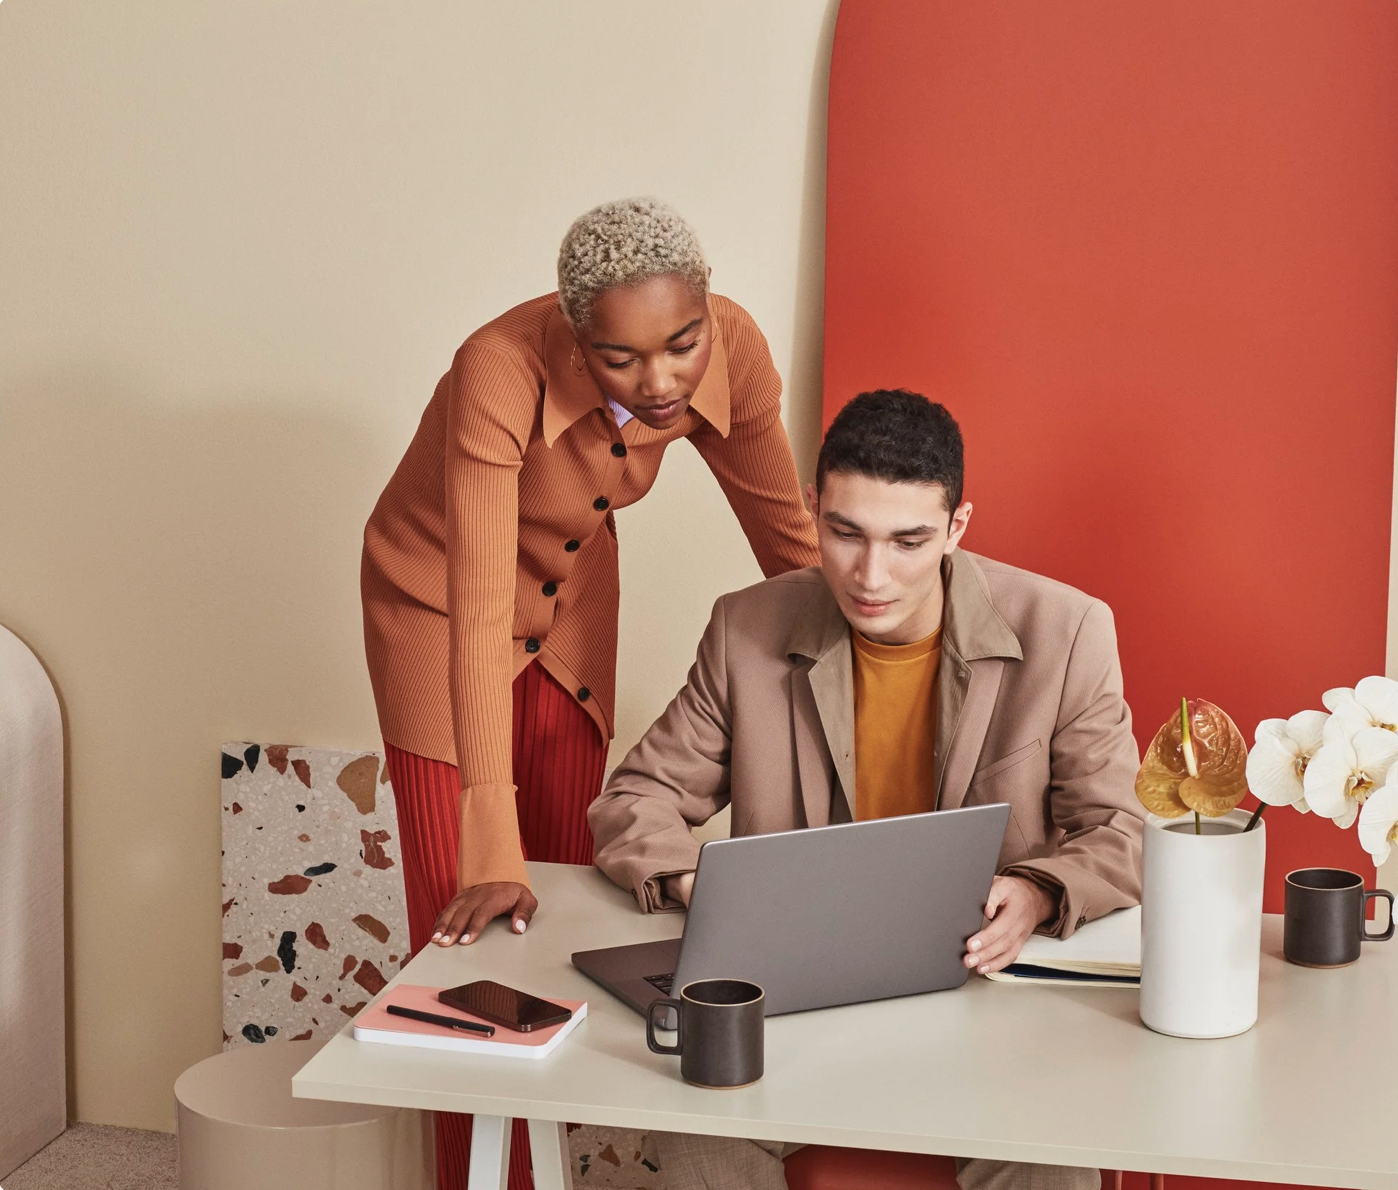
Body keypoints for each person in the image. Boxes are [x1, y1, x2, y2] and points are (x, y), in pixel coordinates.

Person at [360, 198, 820, 1190]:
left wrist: (891, 649)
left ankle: (551, 1167)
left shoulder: (730, 346)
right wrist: (489, 833)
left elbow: (788, 540)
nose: (661, 381)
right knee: (468, 943)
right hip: (439, 606)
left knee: (565, 914)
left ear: (706, 313)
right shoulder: (497, 366)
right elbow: (479, 601)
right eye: (621, 359)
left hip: (572, 600)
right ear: (577, 339)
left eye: (682, 343)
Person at [588, 389, 1146, 1190]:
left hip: (986, 1003)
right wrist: (694, 882)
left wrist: (1035, 891)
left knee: (1054, 1150)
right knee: (690, 1137)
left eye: (908, 541)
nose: (870, 574)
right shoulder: (746, 626)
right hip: (794, 1005)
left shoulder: (1068, 629)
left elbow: (1122, 830)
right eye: (844, 533)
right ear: (814, 510)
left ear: (957, 527)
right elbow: (635, 798)